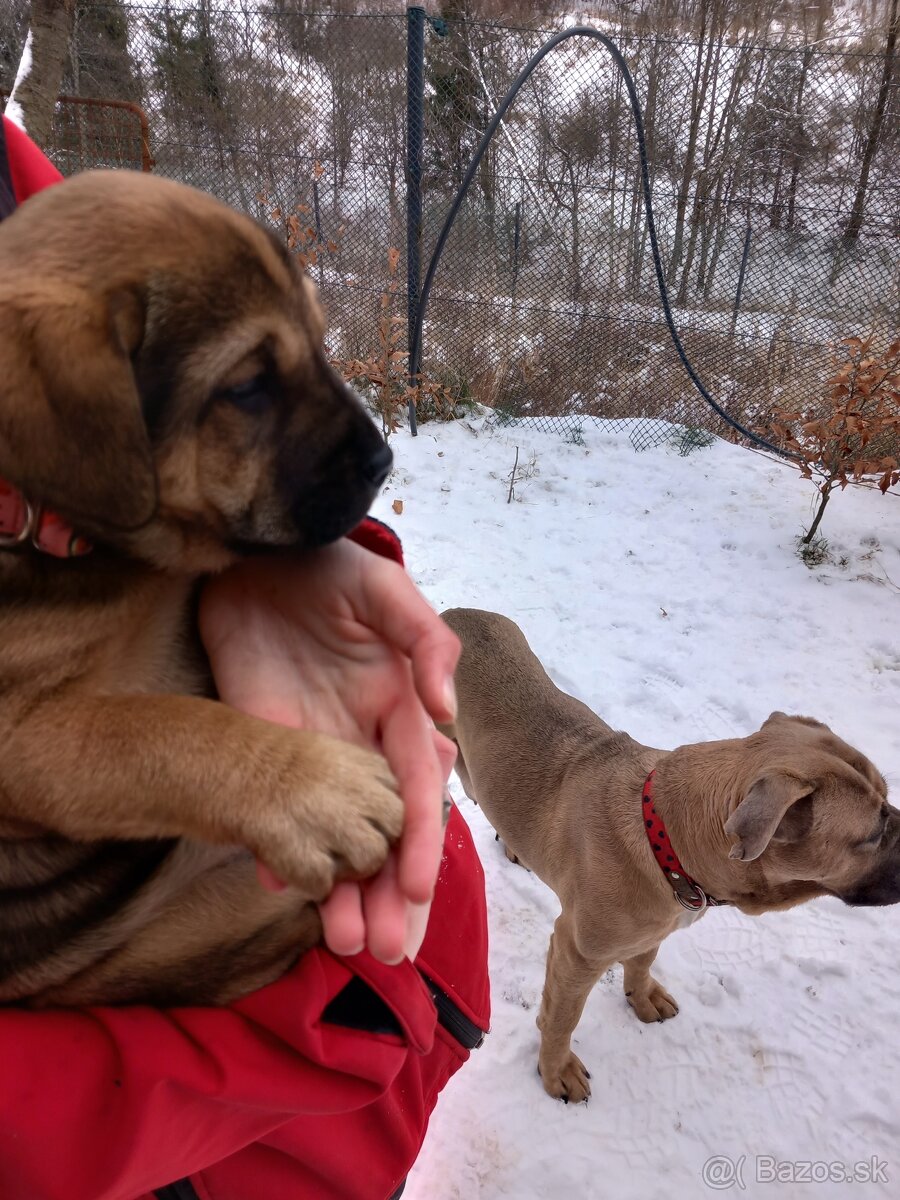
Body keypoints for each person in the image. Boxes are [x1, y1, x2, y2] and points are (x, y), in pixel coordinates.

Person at [0, 114, 490, 1200]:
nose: (364, 445)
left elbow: (151, 462)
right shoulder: (54, 360)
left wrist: (274, 562)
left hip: (309, 1051)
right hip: (128, 1087)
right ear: (73, 446)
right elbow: (26, 738)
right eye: (258, 389)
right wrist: (261, 774)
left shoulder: (50, 226)